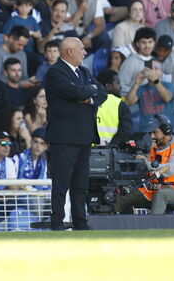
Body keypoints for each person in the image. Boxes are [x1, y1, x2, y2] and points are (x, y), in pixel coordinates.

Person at [44, 38, 106, 230]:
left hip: (84, 136)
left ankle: (81, 222)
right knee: (61, 183)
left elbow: (102, 92)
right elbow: (77, 92)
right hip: (64, 137)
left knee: (81, 184)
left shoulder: (84, 72)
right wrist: (86, 93)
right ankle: (57, 223)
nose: (85, 52)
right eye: (81, 49)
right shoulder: (55, 73)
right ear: (69, 51)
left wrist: (88, 96)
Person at [116, 115, 174, 214]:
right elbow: (146, 171)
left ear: (166, 130)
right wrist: (146, 157)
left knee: (161, 195)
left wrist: (148, 164)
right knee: (123, 196)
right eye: (150, 133)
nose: (152, 136)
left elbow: (170, 169)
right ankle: (117, 226)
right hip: (152, 189)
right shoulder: (154, 147)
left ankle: (152, 226)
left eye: (155, 132)